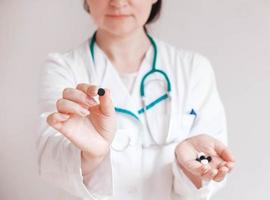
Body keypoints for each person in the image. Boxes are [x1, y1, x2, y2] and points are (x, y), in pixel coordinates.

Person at [37, 0, 235, 199]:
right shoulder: (62, 67)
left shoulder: (193, 69)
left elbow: (212, 173)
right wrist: (91, 156)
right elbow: (49, 161)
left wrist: (189, 167)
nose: (118, 2)